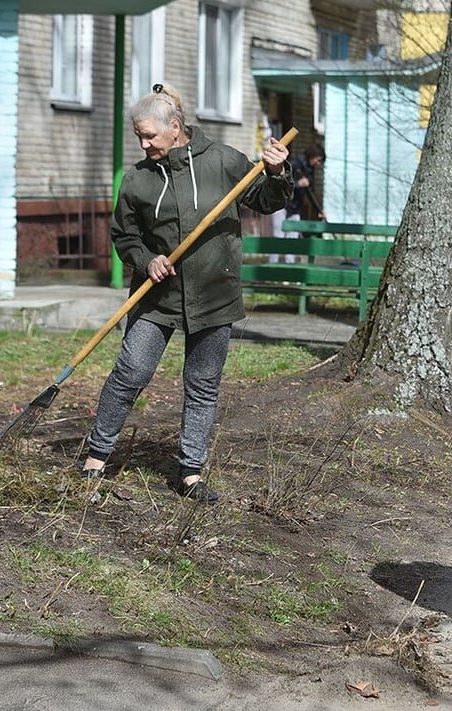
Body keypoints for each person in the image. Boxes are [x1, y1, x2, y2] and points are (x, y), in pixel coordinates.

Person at [80, 83, 294, 503]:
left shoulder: (223, 161)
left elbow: (267, 200)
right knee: (130, 374)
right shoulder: (138, 179)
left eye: (149, 136)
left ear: (175, 128)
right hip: (157, 298)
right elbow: (125, 235)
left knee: (202, 385)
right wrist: (146, 261)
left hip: (215, 294)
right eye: (139, 137)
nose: (143, 144)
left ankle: (190, 473)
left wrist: (276, 171)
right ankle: (95, 457)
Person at [271, 143, 326, 243]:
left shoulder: (310, 170)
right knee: (278, 236)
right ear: (313, 155)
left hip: (295, 207)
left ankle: (290, 259)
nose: (318, 164)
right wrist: (298, 184)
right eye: (318, 160)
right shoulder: (295, 165)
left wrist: (319, 209)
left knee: (293, 238)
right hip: (281, 205)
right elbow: (283, 184)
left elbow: (311, 192)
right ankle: (274, 259)